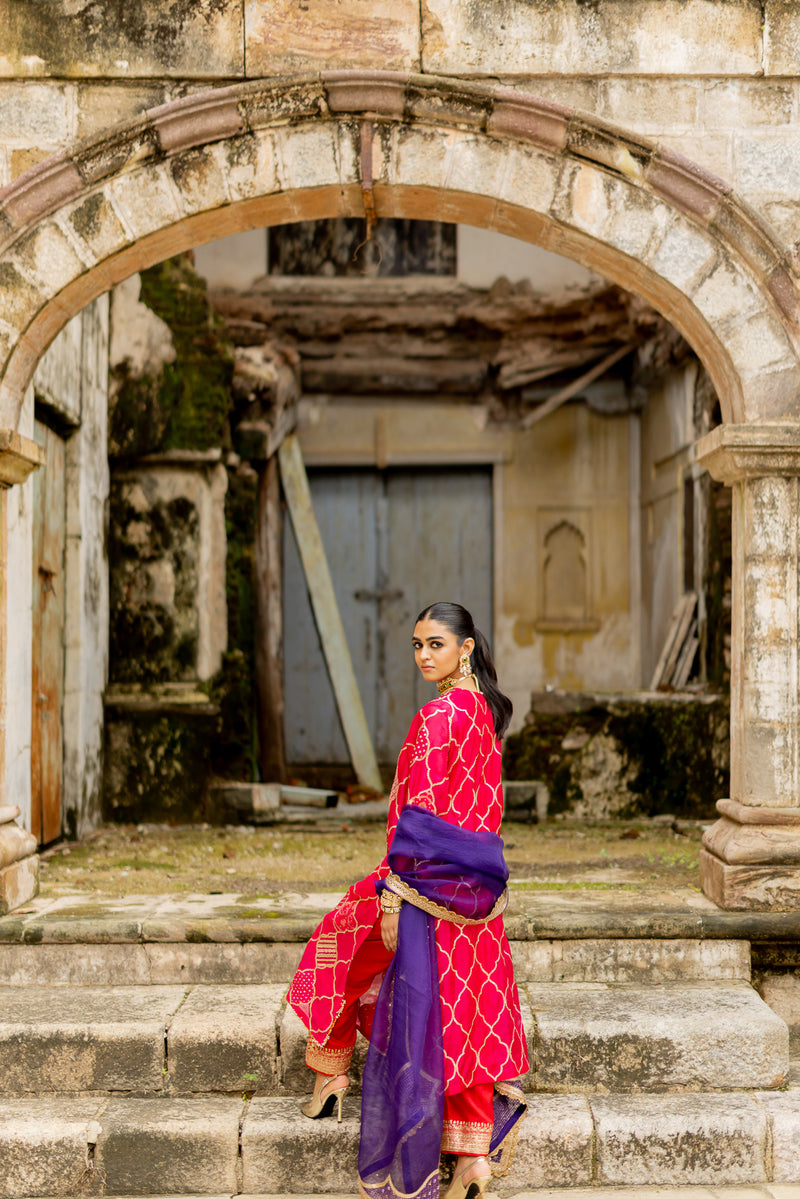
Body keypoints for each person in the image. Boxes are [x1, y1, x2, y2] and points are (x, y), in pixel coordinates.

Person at [287, 601, 529, 1199]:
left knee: (343, 940)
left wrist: (394, 895)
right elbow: (483, 812)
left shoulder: (439, 717)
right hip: (473, 890)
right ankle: (472, 1158)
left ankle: (330, 1071)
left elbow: (416, 818)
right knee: (456, 1010)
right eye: (417, 645)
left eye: (436, 644)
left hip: (422, 882)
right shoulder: (484, 713)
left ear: (466, 647)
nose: (424, 655)